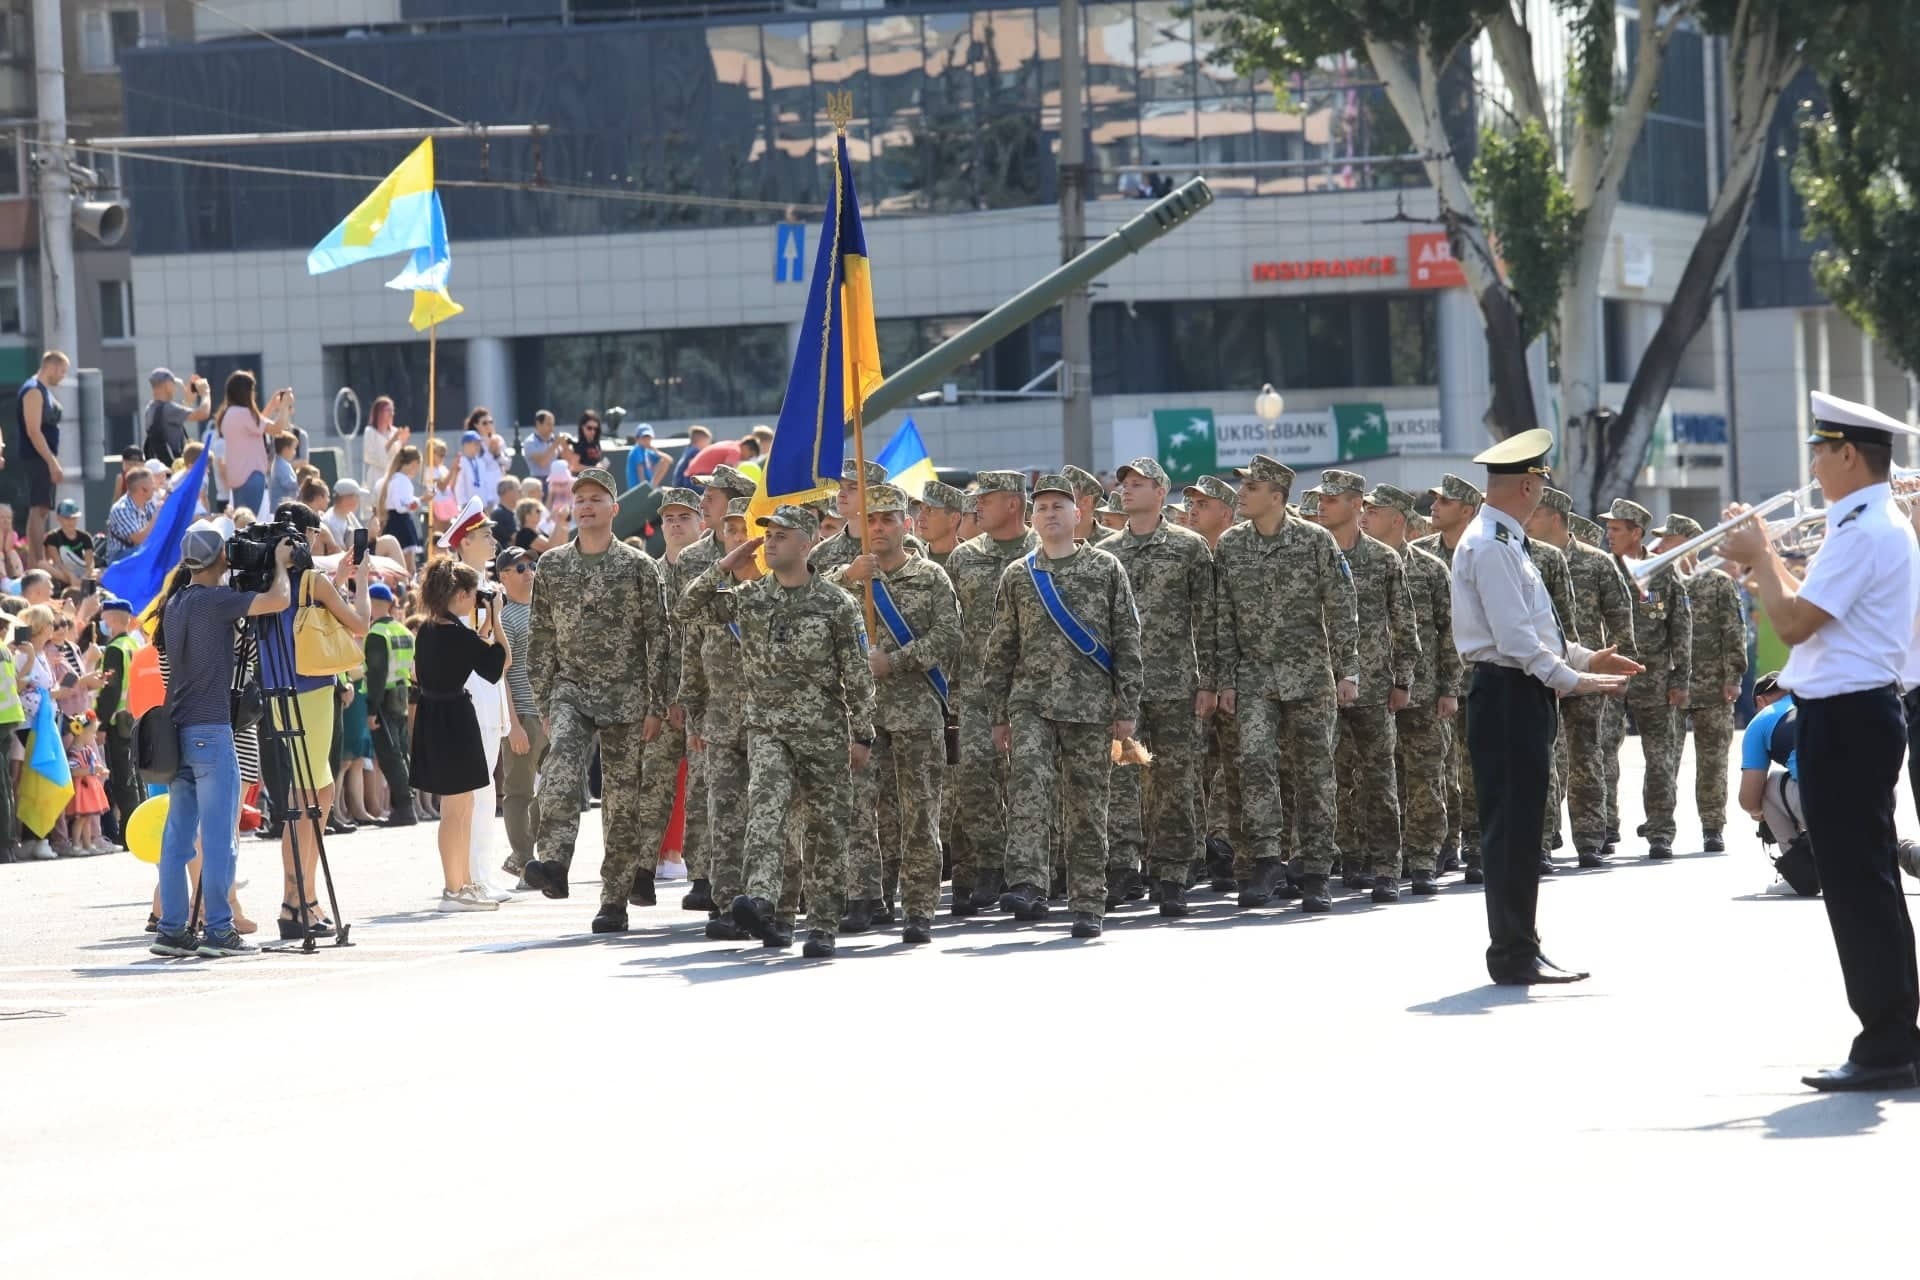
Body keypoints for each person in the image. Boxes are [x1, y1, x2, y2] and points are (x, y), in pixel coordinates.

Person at [1719, 390, 1920, 1091]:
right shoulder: (1863, 523)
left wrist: (1762, 552)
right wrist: (1765, 560)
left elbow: (1797, 622)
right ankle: (1895, 1036)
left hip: (1850, 719)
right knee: (1867, 880)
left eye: (1818, 447)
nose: (1811, 461)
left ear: (1844, 453)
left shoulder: (1866, 528)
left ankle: (1886, 1043)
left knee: (1858, 885)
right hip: (1852, 715)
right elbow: (1818, 606)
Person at [1450, 430, 1639, 986]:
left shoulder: (1504, 542)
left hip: (1517, 691)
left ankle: (1522, 944)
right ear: (1531, 485)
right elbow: (1514, 642)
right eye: (1542, 481)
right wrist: (1579, 680)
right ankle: (1511, 952)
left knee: (1523, 825)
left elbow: (1535, 630)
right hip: (1508, 693)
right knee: (1511, 830)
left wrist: (1585, 655)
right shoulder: (1490, 545)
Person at [684, 504, 875, 958]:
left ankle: (822, 925)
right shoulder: (750, 598)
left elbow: (858, 675)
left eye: (782, 536)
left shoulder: (836, 603)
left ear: (807, 544)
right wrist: (725, 564)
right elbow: (687, 606)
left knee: (825, 830)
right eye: (768, 535)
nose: (770, 541)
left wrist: (862, 734)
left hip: (824, 733)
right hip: (767, 728)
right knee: (767, 815)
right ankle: (765, 903)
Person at [980, 475, 1141, 939]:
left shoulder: (1106, 568)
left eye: (1059, 506)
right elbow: (1002, 647)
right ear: (1032, 518)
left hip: (1091, 707)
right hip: (1031, 704)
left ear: (1078, 515)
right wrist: (998, 713)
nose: (1050, 513)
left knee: (1088, 807)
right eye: (1043, 507)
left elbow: (1128, 642)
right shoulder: (1020, 575)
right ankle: (1028, 881)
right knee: (1028, 785)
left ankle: (1089, 901)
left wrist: (1126, 707)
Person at [519, 467, 671, 933]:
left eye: (595, 499)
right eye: (579, 498)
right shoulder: (553, 564)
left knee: (622, 802)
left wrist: (656, 705)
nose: (585, 506)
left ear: (614, 508)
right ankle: (555, 862)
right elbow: (541, 634)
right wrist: (545, 697)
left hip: (628, 696)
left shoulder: (638, 566)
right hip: (571, 690)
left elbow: (659, 638)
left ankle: (614, 898)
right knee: (562, 759)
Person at [148, 525, 295, 959]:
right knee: (218, 836)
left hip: (178, 730)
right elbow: (279, 601)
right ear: (220, 559)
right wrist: (281, 567)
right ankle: (218, 929)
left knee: (177, 837)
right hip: (211, 730)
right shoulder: (215, 601)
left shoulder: (174, 602)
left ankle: (173, 929)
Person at [825, 484, 960, 943]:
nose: (879, 528)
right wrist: (847, 577)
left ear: (906, 524)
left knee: (919, 813)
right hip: (861, 716)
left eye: (888, 519)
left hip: (917, 714)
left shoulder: (929, 577)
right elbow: (808, 610)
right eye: (872, 520)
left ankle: (919, 907)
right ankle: (863, 896)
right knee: (859, 810)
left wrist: (895, 662)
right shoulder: (843, 577)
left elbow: (948, 636)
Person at [1101, 458, 1214, 914]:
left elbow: (1208, 620)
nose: (1127, 490)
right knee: (1121, 778)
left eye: (1138, 483)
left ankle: (1171, 873)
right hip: (1124, 688)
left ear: (1161, 492)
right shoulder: (1107, 552)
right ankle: (1124, 867)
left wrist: (1210, 681)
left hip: (1174, 683)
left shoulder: (1189, 548)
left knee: (1173, 781)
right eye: (1124, 483)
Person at [256, 504, 374, 941]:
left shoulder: (268, 580)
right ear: (303, 537)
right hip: (312, 689)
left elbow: (299, 617)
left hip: (278, 689)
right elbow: (359, 623)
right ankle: (297, 899)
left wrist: (335, 580)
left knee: (304, 793)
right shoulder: (312, 582)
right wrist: (359, 581)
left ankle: (303, 895)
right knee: (313, 795)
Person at [944, 471, 1038, 912]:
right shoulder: (964, 558)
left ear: (1014, 504)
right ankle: (991, 862)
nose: (976, 506)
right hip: (976, 690)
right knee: (975, 777)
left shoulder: (1044, 552)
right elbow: (950, 625)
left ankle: (1029, 872)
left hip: (1033, 689)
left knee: (1030, 782)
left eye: (986, 499)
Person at [410, 557, 509, 912]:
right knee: (456, 808)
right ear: (461, 594)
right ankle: (454, 888)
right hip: (453, 717)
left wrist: (480, 630)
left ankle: (463, 882)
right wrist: (495, 619)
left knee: (462, 805)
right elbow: (499, 665)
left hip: (437, 716)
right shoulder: (456, 634)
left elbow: (467, 655)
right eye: (472, 595)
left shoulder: (429, 629)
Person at [1650, 513, 1748, 853]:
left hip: (1712, 685)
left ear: (1690, 542)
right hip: (1670, 687)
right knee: (1663, 762)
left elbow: (1733, 631)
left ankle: (1712, 827)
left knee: (1712, 761)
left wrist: (1734, 676)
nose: (1661, 545)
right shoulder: (1656, 582)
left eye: (1669, 540)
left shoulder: (1718, 581)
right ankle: (1660, 830)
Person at [1604, 499, 1692, 860]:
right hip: (1608, 678)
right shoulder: (1600, 568)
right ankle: (1604, 825)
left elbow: (1680, 628)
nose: (1608, 535)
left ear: (1636, 533)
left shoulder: (1661, 572)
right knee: (1602, 751)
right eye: (1607, 529)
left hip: (1654, 679)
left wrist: (1680, 679)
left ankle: (1659, 830)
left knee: (1659, 757)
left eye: (1616, 530)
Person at [440, 497, 513, 901]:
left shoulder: (484, 586)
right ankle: (470, 874)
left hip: (489, 690)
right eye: (485, 535)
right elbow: (471, 643)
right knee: (476, 788)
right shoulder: (460, 588)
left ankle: (482, 870)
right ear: (465, 542)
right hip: (471, 689)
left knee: (487, 789)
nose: (493, 540)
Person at [493, 547, 544, 882]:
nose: (529, 572)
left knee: (553, 788)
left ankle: (524, 855)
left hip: (551, 712)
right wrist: (513, 725)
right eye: (520, 567)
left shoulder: (545, 610)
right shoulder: (505, 618)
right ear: (504, 577)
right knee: (520, 791)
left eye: (531, 566)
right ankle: (525, 860)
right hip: (523, 715)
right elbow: (502, 675)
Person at [1739, 671, 1812, 896]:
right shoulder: (1818, 702)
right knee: (1871, 834)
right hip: (1879, 794)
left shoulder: (1763, 718)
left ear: (1760, 701)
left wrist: (1759, 812)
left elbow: (1749, 799)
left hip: (1827, 803)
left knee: (1768, 785)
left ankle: (1800, 873)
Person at [362, 583, 416, 827]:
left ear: (373, 603)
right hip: (402, 694)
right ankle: (405, 807)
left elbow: (376, 673)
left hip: (384, 698)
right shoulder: (403, 631)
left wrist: (371, 709)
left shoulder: (377, 634)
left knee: (390, 755)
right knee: (400, 752)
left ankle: (404, 809)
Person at [17, 350, 69, 570]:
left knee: (41, 509)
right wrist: (51, 461)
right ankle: (37, 562)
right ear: (52, 366)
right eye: (62, 371)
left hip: (43, 457)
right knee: (38, 509)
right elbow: (33, 430)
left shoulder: (44, 391)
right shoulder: (33, 390)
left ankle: (36, 560)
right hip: (37, 458)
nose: (63, 376)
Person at [214, 371, 292, 516]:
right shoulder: (244, 414)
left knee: (240, 524)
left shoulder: (228, 414)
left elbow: (257, 424)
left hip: (237, 477)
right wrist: (284, 406)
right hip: (252, 476)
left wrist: (272, 405)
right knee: (248, 524)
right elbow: (277, 428)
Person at [142, 369, 212, 466]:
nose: (175, 388)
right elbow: (203, 414)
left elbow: (173, 417)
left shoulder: (150, 408)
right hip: (174, 466)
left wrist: (187, 401)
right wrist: (206, 392)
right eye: (173, 384)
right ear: (167, 385)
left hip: (162, 467)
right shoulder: (168, 409)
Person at [377, 445, 425, 569]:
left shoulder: (387, 480)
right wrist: (422, 500)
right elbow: (403, 506)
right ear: (414, 463)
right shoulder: (403, 481)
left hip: (390, 522)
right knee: (408, 564)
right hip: (402, 523)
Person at [360, 395, 408, 494]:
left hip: (393, 476)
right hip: (377, 476)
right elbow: (369, 456)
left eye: (392, 410)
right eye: (388, 410)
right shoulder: (370, 432)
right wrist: (392, 440)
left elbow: (399, 457)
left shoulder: (394, 431)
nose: (391, 413)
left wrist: (403, 443)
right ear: (379, 412)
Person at [42, 500, 93, 590]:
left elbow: (90, 562)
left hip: (81, 570)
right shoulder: (53, 537)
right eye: (67, 518)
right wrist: (71, 577)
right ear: (58, 518)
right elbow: (58, 562)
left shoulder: (85, 537)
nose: (71, 522)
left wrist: (85, 576)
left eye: (74, 518)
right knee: (42, 564)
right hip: (62, 571)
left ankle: (80, 583)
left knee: (99, 572)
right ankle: (74, 583)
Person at [626, 424, 671, 490]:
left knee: (664, 461)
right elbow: (641, 474)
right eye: (644, 437)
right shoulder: (636, 450)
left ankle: (653, 486)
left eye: (648, 437)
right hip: (638, 490)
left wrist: (657, 452)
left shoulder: (647, 451)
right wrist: (645, 490)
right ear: (637, 438)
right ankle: (651, 488)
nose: (647, 440)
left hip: (649, 485)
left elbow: (669, 460)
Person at [323, 478, 365, 550]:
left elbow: (363, 539)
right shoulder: (330, 521)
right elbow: (340, 551)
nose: (358, 500)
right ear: (347, 498)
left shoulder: (348, 514)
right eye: (356, 496)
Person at [666, 424, 712, 489]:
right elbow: (694, 472)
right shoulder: (695, 452)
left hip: (679, 484)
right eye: (707, 443)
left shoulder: (689, 449)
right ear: (701, 441)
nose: (708, 445)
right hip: (685, 485)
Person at [266, 432, 301, 513]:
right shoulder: (281, 464)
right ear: (286, 449)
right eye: (294, 448)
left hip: (283, 508)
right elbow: (288, 484)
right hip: (281, 509)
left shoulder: (282, 463)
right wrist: (301, 481)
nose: (295, 452)